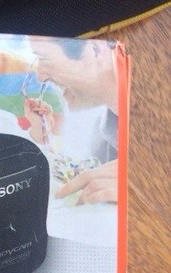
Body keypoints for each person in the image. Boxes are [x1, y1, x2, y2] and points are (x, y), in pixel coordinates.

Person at [31, 38, 119, 204]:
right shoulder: (100, 140)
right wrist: (40, 132)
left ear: (95, 49)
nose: (40, 77)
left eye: (43, 58)